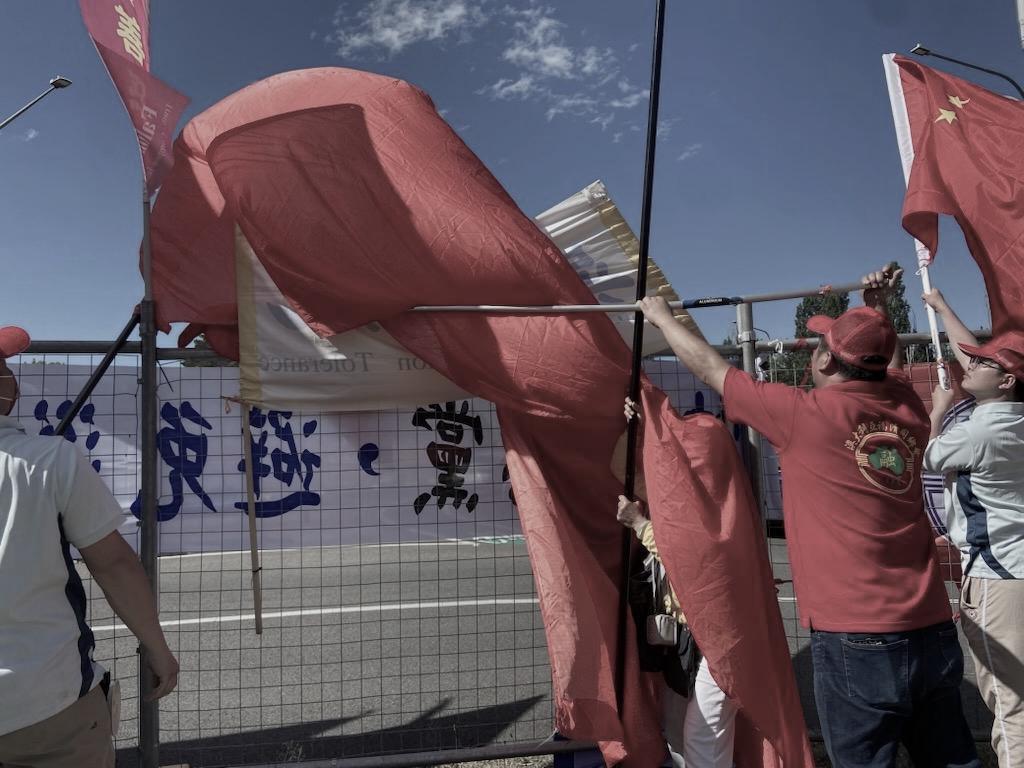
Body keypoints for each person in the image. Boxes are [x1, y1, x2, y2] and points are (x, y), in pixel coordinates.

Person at [637, 266, 980, 768]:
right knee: (950, 758)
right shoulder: (906, 407)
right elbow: (891, 367)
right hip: (930, 625)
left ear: (828, 360)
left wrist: (662, 318)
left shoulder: (805, 415)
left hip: (855, 637)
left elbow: (714, 371)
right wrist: (878, 312)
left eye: (820, 343)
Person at [0, 325, 179, 768]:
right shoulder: (48, 460)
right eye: (0, 366)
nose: (8, 375)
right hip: (45, 702)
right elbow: (114, 563)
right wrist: (157, 647)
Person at [921, 289, 1024, 768]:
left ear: (1005, 382)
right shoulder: (1014, 416)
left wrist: (938, 408)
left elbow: (930, 456)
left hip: (997, 578)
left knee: (1009, 702)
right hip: (1015, 568)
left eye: (984, 364)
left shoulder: (982, 430)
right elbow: (974, 358)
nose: (969, 366)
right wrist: (942, 308)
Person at [612, 431, 738, 767]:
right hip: (686, 635)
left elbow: (691, 557)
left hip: (720, 639)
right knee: (679, 730)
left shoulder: (716, 501)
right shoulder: (683, 499)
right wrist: (637, 422)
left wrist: (640, 525)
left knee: (702, 737)